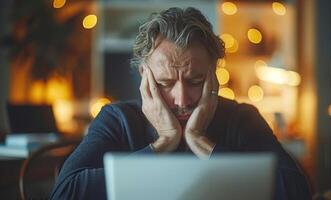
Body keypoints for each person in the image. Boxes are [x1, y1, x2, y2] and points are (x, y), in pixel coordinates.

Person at [50, 7, 311, 200]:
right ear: (144, 76)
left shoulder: (243, 119)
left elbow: (297, 192)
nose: (182, 100)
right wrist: (163, 143)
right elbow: (63, 194)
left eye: (196, 80)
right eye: (165, 84)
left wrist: (201, 141)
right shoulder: (116, 118)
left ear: (213, 74)